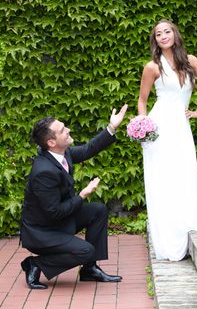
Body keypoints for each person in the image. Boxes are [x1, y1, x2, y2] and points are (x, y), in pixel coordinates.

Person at [20, 104, 128, 289]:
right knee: (85, 251)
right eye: (62, 130)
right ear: (51, 143)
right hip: (42, 232)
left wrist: (112, 127)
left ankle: (89, 270)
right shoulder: (43, 172)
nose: (68, 129)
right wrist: (82, 194)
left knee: (98, 210)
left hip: (57, 221)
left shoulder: (62, 153)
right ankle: (35, 264)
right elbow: (54, 212)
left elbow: (88, 149)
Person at [138, 19, 197, 261]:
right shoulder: (152, 67)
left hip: (181, 127)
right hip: (159, 128)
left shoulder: (191, 61)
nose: (163, 36)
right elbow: (142, 100)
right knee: (163, 178)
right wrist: (144, 125)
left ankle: (184, 219)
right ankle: (167, 229)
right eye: (158, 34)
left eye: (167, 31)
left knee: (183, 172)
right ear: (155, 40)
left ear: (174, 34)